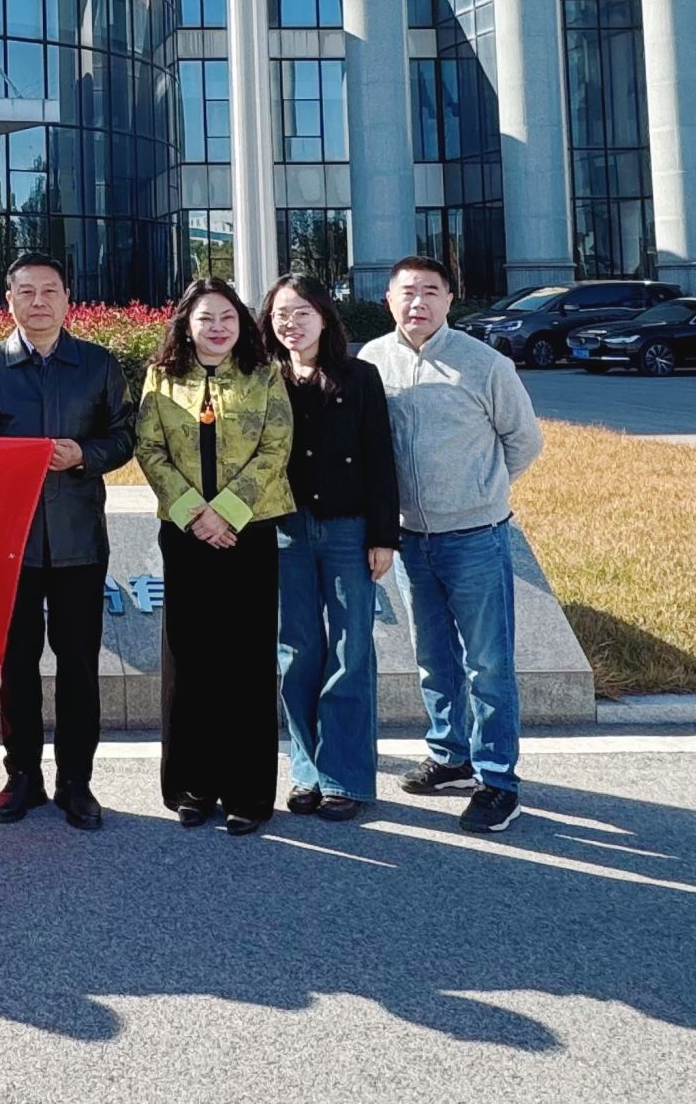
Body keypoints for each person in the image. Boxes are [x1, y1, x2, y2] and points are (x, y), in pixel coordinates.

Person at [361, 255, 543, 834]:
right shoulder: (372, 362)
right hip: (410, 537)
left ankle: (499, 780)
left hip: (475, 537)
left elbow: (524, 441)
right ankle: (450, 756)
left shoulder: (484, 364)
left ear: (449, 300)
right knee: (433, 656)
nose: (418, 302)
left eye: (430, 292)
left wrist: (480, 492)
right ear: (388, 299)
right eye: (407, 292)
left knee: (488, 663)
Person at [0, 252, 135, 832]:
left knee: (79, 665)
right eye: (26, 292)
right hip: (8, 544)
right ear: (8, 300)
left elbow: (125, 435)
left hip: (78, 540)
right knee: (16, 666)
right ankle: (22, 777)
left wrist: (84, 454)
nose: (38, 302)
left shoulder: (97, 364)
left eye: (50, 291)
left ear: (67, 299)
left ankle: (76, 782)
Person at [134, 277, 293, 837]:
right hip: (185, 533)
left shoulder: (264, 374)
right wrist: (193, 513)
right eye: (206, 318)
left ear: (242, 323)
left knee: (246, 661)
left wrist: (226, 512)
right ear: (186, 325)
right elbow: (149, 447)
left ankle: (247, 791)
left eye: (228, 317)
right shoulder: (162, 376)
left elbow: (276, 447)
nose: (218, 328)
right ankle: (192, 786)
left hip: (249, 530)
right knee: (190, 658)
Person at [259, 274, 397, 822]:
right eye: (281, 315)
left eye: (302, 312)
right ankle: (307, 771)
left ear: (323, 316)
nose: (291, 324)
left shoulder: (360, 377)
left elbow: (380, 457)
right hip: (285, 530)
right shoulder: (263, 380)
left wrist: (383, 535)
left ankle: (345, 777)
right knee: (296, 652)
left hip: (347, 530)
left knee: (350, 650)